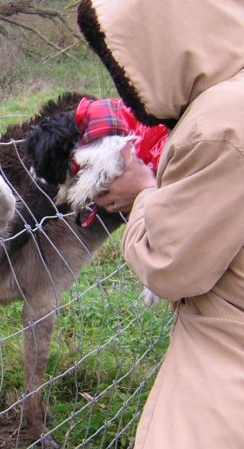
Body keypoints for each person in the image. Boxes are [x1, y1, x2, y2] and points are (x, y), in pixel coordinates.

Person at [77, 1, 244, 449]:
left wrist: (143, 191)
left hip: (223, 371)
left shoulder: (223, 124)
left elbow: (169, 264)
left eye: (122, 64)